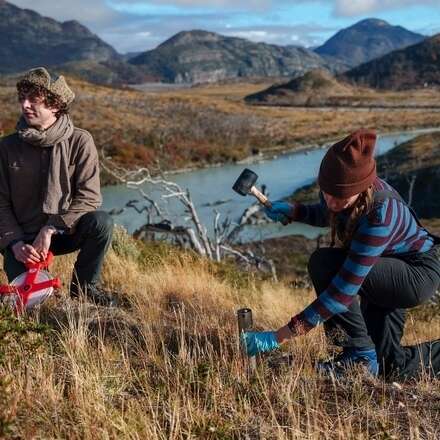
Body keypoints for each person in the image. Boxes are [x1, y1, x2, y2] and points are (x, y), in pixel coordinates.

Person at [242, 129, 440, 380]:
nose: (332, 201)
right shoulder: (333, 186)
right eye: (327, 193)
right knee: (389, 367)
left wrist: (279, 336)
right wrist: (296, 211)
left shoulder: (380, 215)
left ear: (362, 187)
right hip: (384, 267)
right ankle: (362, 355)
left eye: (341, 196)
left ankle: (356, 353)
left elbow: (340, 293)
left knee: (326, 263)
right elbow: (330, 213)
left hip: (414, 274)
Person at [0, 67, 116, 306]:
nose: (25, 105)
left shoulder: (80, 141)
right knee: (28, 305)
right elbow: (0, 202)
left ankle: (85, 288)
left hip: (63, 232)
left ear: (54, 105)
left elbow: (89, 197)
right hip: (22, 239)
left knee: (101, 222)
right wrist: (15, 242)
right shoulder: (6, 147)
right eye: (22, 99)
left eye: (34, 100)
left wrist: (51, 228)